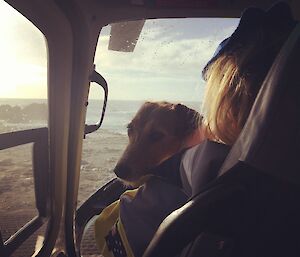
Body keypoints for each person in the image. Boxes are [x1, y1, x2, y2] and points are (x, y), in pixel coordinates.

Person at [94, 2, 297, 257]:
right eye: (131, 132)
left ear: (230, 101)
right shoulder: (279, 175)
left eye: (155, 137)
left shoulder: (193, 172)